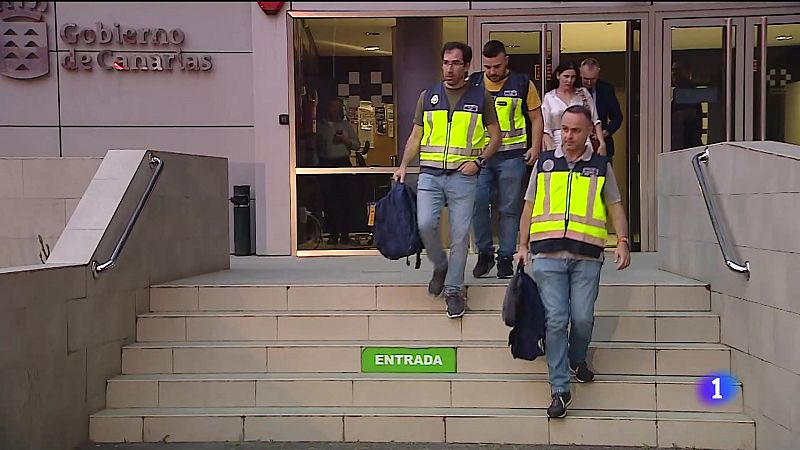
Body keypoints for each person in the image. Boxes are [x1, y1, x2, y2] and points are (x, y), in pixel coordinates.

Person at [514, 105, 631, 418]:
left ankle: (577, 357)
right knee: (555, 319)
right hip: (547, 255)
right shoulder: (545, 163)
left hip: (586, 256)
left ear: (589, 133)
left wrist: (622, 241)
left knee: (581, 318)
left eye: (575, 130)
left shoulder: (600, 165)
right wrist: (522, 245)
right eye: (564, 129)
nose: (567, 136)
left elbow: (615, 206)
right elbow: (528, 206)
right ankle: (559, 389)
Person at [393, 41, 502, 319]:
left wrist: (478, 162)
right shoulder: (427, 95)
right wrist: (404, 165)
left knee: (459, 236)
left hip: (462, 177)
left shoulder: (481, 98)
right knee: (426, 224)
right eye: (445, 62)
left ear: (467, 66)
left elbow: (496, 137)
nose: (449, 68)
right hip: (430, 173)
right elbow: (416, 135)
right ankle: (439, 264)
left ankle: (453, 290)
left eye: (455, 63)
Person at [468, 40, 544, 280]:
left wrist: (535, 147)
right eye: (488, 66)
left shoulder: (522, 83)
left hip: (513, 155)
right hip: (482, 156)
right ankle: (485, 253)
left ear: (506, 61)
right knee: (477, 203)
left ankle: (505, 258)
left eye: (497, 66)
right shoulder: (474, 83)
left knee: (509, 209)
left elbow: (536, 117)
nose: (493, 71)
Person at [316, 98, 361, 246]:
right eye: (332, 107)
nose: (335, 110)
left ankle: (346, 234)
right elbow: (315, 147)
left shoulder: (345, 125)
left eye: (337, 107)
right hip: (326, 164)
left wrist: (345, 140)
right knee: (330, 201)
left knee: (347, 200)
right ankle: (333, 235)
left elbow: (356, 145)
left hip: (343, 163)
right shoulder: (320, 127)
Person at [541, 61, 606, 156]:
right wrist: (550, 151)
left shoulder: (583, 93)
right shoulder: (549, 97)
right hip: (557, 142)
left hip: (583, 141)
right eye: (566, 76)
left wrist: (602, 143)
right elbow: (546, 129)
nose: (569, 80)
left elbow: (595, 120)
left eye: (573, 77)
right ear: (558, 75)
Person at [579, 58, 623, 163]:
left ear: (598, 73)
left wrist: (603, 134)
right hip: (579, 144)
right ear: (580, 72)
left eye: (593, 79)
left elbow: (617, 117)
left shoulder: (606, 89)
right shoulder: (574, 89)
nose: (589, 82)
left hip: (601, 144)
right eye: (586, 79)